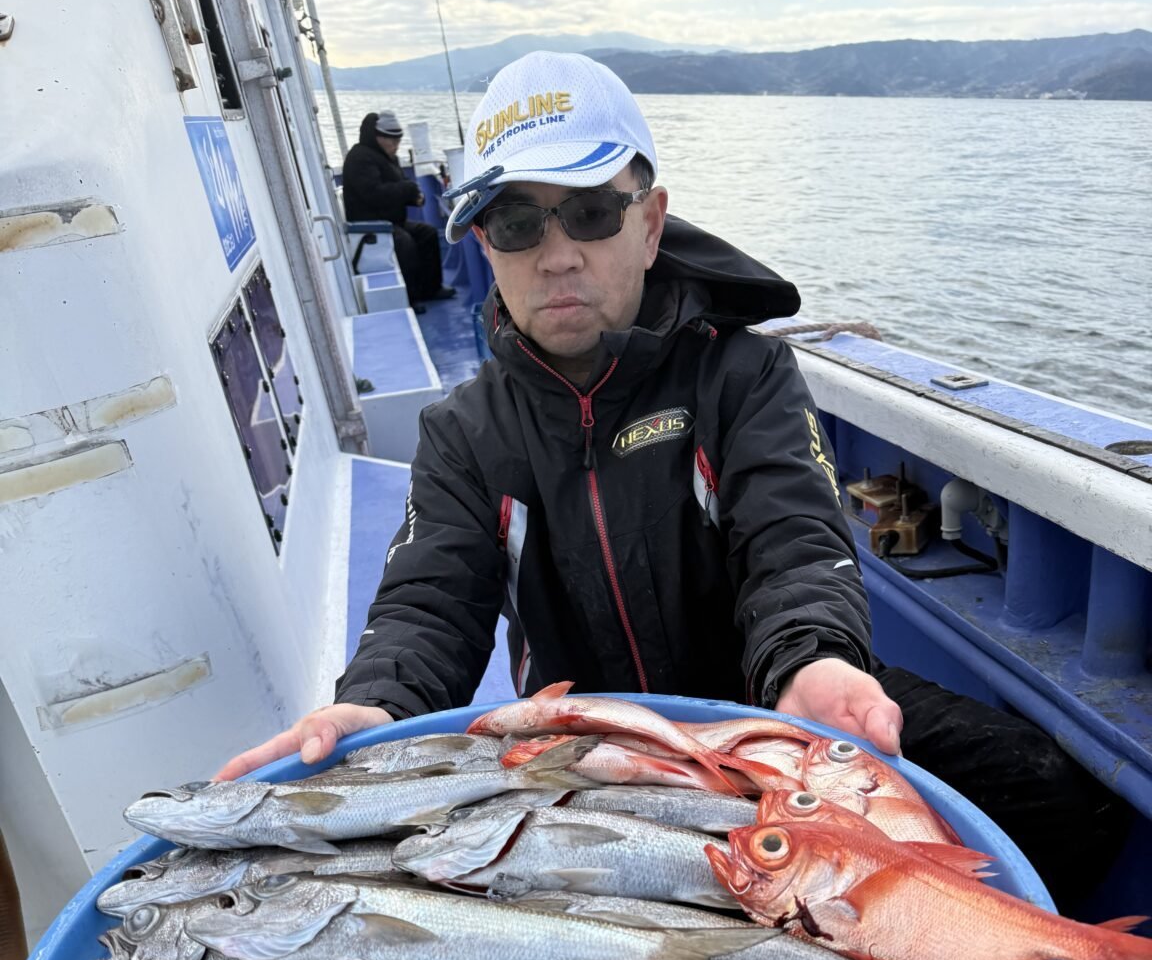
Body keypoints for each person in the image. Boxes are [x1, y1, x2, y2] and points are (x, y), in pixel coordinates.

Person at [222, 53, 1127, 907]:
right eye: (517, 223)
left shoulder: (745, 376)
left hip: (773, 714)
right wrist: (374, 705)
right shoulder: (464, 432)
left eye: (590, 213)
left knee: (1045, 790)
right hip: (590, 751)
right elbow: (430, 603)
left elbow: (793, 541)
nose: (557, 254)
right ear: (485, 245)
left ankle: (958, 957)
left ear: (650, 224)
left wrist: (813, 661)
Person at [341, 110, 455, 311]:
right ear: (377, 137)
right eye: (392, 141)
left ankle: (431, 288)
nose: (396, 145)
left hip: (392, 221)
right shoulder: (359, 158)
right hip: (371, 224)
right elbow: (374, 194)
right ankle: (410, 298)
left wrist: (415, 197)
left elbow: (400, 185)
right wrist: (407, 190)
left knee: (428, 233)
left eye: (398, 141)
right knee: (405, 243)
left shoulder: (388, 157)